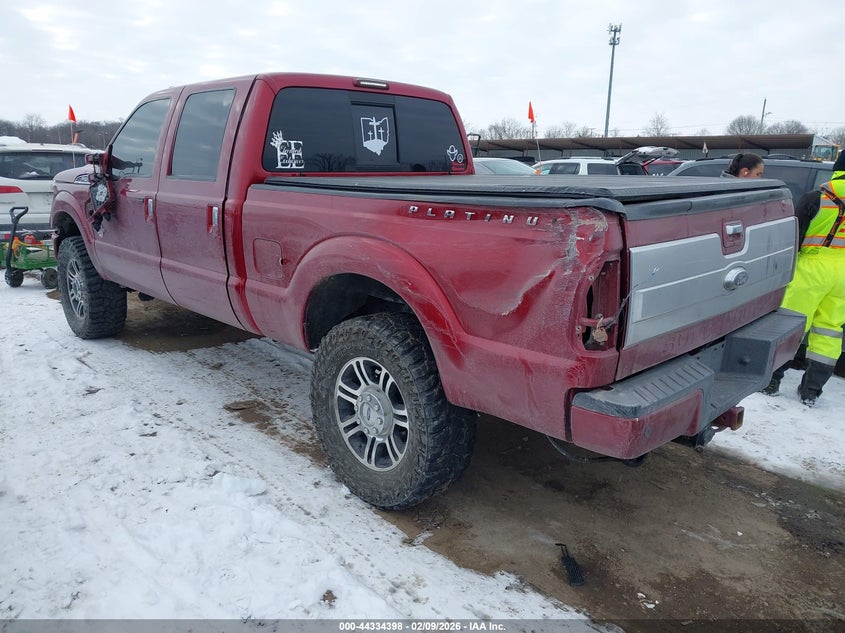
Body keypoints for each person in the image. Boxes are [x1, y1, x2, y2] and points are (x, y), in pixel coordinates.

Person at [762, 150, 845, 405]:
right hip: (843, 274)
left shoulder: (817, 198)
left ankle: (772, 379)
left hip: (812, 267)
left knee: (792, 324)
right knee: (830, 331)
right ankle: (811, 391)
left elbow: (794, 236)